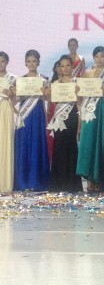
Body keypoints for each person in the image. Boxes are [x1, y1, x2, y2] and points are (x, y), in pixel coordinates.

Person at [76, 46, 104, 193]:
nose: (99, 59)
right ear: (93, 58)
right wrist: (77, 92)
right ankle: (89, 179)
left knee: (101, 141)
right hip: (89, 110)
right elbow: (81, 97)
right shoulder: (87, 74)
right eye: (97, 56)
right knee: (88, 141)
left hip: (103, 108)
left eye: (102, 56)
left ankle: (99, 179)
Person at [14, 49, 50, 191]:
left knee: (36, 143)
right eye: (28, 61)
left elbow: (48, 99)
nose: (31, 64)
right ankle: (23, 181)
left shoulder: (44, 79)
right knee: (24, 144)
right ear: (25, 63)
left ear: (38, 62)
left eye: (34, 61)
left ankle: (36, 181)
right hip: (25, 115)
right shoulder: (20, 80)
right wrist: (13, 94)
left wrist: (46, 94)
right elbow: (16, 100)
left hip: (38, 114)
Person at [47, 55, 82, 193]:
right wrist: (47, 95)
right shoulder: (56, 83)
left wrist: (80, 124)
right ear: (59, 68)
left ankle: (72, 184)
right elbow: (54, 102)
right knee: (59, 147)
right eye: (62, 66)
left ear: (72, 66)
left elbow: (80, 103)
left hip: (72, 115)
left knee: (71, 147)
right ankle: (58, 184)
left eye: (68, 65)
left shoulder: (77, 82)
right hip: (59, 117)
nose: (65, 68)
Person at [0, 52, 15, 193]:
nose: (0, 64)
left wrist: (12, 94)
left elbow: (16, 100)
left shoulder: (12, 79)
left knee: (6, 143)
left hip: (6, 110)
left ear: (7, 62)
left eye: (3, 61)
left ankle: (5, 183)